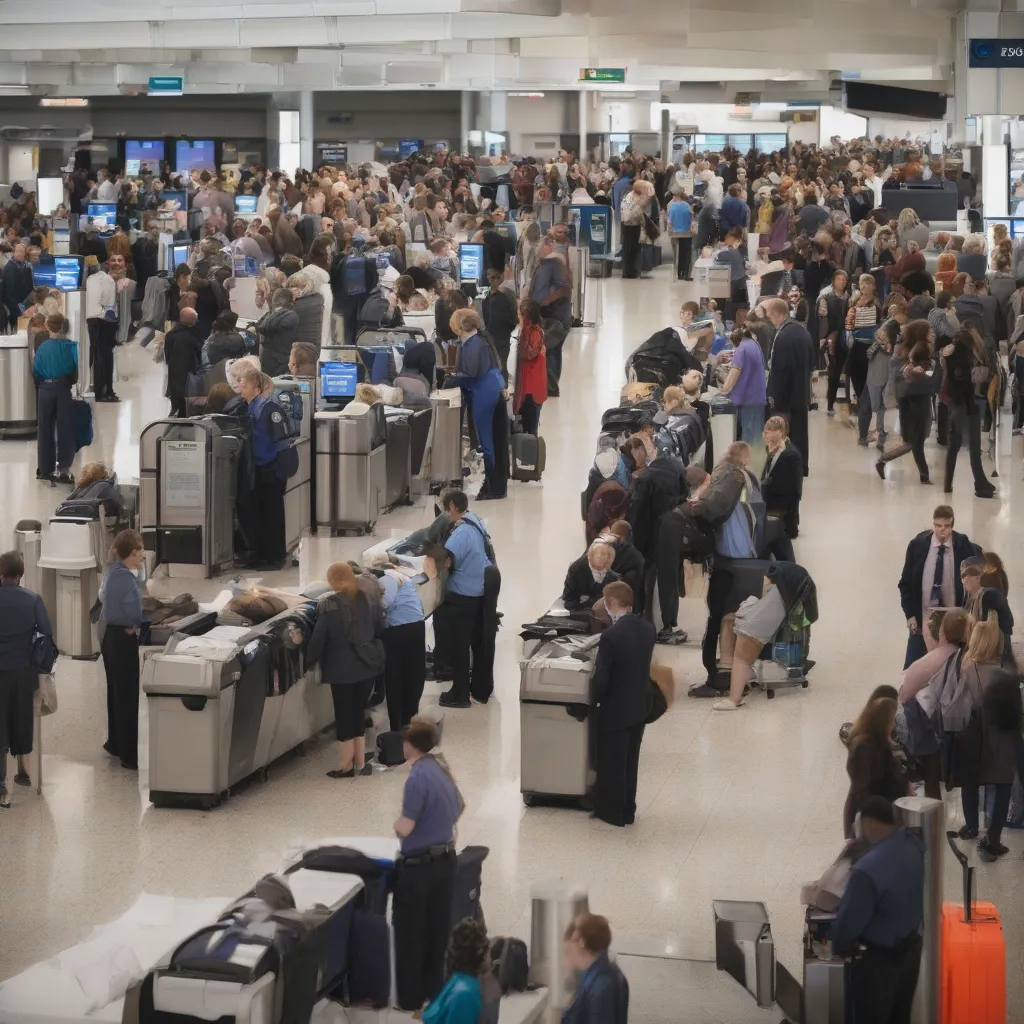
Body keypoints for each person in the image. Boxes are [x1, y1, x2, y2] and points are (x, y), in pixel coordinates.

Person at [832, 797, 924, 1024]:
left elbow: (848, 925)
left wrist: (838, 946)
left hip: (876, 964)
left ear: (870, 823)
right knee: (900, 1015)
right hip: (911, 954)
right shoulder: (914, 845)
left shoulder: (867, 870)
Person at [393, 719, 463, 1013]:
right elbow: (460, 806)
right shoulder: (441, 768)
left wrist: (397, 826)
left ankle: (410, 999)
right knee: (437, 931)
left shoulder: (417, 777)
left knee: (410, 934)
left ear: (409, 744)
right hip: (446, 861)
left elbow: (406, 827)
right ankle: (436, 992)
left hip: (418, 868)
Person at [306, 561, 384, 778]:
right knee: (358, 712)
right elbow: (379, 628)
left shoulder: (329, 605)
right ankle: (360, 762)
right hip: (367, 667)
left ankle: (345, 765)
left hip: (342, 672)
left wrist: (306, 663)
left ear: (331, 581)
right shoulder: (366, 598)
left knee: (344, 716)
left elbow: (318, 640)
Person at [591, 581, 655, 826]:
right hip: (639, 705)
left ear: (610, 604)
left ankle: (614, 812)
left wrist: (594, 700)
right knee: (630, 760)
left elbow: (602, 679)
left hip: (616, 708)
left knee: (613, 761)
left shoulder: (611, 637)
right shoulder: (647, 629)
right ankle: (629, 809)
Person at [434, 491, 499, 708]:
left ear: (452, 506)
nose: (446, 512)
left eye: (445, 508)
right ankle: (464, 686)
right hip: (479, 590)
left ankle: (460, 693)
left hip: (463, 595)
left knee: (458, 645)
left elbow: (446, 562)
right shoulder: (476, 521)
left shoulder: (461, 533)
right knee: (469, 642)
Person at [899, 607, 970, 798]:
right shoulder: (970, 656)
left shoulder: (929, 661)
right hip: (964, 726)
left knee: (930, 779)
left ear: (943, 632)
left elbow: (904, 696)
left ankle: (929, 817)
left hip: (931, 729)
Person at [898, 504, 980, 668]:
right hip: (922, 622)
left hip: (954, 623)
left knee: (952, 669)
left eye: (947, 526)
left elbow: (978, 577)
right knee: (912, 668)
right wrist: (911, 616)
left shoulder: (963, 545)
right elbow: (905, 583)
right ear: (933, 524)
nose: (942, 530)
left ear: (952, 525)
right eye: (938, 526)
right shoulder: (917, 545)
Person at [0, 550, 52, 807]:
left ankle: (1, 788)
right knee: (22, 718)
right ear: (20, 574)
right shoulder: (32, 599)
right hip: (23, 671)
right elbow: (45, 631)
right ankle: (23, 771)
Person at [234, 365, 298, 569]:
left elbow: (281, 441)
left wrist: (280, 469)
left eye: (244, 385)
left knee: (273, 513)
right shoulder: (250, 406)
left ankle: (275, 556)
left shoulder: (271, 409)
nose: (240, 388)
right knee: (259, 512)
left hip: (273, 468)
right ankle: (260, 553)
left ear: (257, 389)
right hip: (259, 468)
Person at [444, 309, 506, 500]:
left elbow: (469, 374)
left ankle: (492, 486)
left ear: (461, 326)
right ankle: (496, 484)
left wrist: (450, 380)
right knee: (495, 439)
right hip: (492, 389)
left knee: (487, 440)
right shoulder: (480, 341)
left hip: (483, 394)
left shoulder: (472, 345)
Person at [99, 530, 146, 771]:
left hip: (109, 638)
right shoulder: (127, 579)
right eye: (139, 553)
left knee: (115, 692)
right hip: (123, 638)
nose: (142, 557)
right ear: (130, 553)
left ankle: (115, 742)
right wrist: (136, 626)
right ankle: (130, 756)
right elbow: (135, 613)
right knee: (128, 696)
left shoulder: (111, 573)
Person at [875, 320, 938, 485]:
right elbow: (929, 373)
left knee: (914, 440)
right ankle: (883, 460)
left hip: (905, 397)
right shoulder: (922, 349)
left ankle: (924, 474)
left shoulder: (901, 349)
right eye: (929, 331)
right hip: (919, 397)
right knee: (915, 440)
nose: (932, 334)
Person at [939, 325, 996, 498]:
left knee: (954, 445)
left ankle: (948, 484)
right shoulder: (962, 355)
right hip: (966, 405)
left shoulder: (950, 352)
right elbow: (964, 382)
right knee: (974, 448)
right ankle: (980, 483)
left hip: (954, 403)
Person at [843, 697, 907, 839]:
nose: (894, 725)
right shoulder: (865, 748)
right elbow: (857, 792)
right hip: (875, 820)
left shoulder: (879, 742)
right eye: (892, 720)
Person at [763, 298, 812, 476]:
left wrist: (774, 397)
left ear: (776, 314)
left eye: (769, 316)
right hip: (801, 393)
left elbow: (780, 371)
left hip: (786, 397)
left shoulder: (782, 337)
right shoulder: (802, 331)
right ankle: (801, 466)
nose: (769, 320)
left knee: (784, 434)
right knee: (800, 433)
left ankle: (787, 467)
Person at [379, 568, 427, 733]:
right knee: (414, 677)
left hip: (397, 632)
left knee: (394, 680)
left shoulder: (385, 581)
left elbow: (380, 608)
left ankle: (397, 729)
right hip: (417, 627)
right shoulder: (404, 579)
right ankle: (411, 723)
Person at [33, 315, 78, 485]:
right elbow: (75, 372)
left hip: (44, 390)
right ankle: (64, 469)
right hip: (62, 388)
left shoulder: (42, 347)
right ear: (63, 328)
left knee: (44, 429)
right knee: (66, 428)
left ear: (49, 327)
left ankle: (45, 469)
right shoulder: (71, 347)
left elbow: (36, 370)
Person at [561, 913, 629, 1024]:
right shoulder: (602, 972)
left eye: (569, 949)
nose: (567, 953)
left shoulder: (602, 984)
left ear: (581, 942)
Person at [423, 918, 491, 1024]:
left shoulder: (459, 978)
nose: (490, 959)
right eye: (488, 953)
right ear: (481, 954)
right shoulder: (466, 995)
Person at [718, 326, 766, 445]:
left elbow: (734, 374)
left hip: (749, 401)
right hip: (756, 399)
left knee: (748, 443)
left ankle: (749, 464)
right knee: (755, 440)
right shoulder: (753, 344)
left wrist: (723, 392)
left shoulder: (742, 349)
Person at [760, 415, 802, 544]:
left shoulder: (790, 455)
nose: (764, 435)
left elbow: (788, 489)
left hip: (782, 508)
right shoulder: (773, 449)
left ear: (780, 433)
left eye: (768, 432)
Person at [85, 262, 119, 402]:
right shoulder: (107, 280)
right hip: (104, 319)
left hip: (91, 320)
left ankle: (98, 390)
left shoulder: (89, 280)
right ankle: (106, 391)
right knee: (106, 357)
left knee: (96, 356)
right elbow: (109, 302)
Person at [513, 298, 547, 437]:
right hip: (531, 388)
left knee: (530, 430)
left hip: (530, 391)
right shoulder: (534, 332)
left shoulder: (533, 333)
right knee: (528, 427)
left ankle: (531, 456)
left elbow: (528, 353)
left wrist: (524, 329)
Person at [163, 307, 203, 417]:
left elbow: (167, 356)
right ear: (193, 320)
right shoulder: (194, 336)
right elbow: (200, 355)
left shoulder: (171, 334)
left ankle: (174, 411)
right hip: (190, 374)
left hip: (174, 372)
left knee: (176, 396)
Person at [562, 541, 620, 613]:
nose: (603, 558)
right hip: (579, 612)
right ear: (589, 556)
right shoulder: (576, 569)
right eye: (599, 555)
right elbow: (569, 600)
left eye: (606, 555)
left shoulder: (613, 577)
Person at [255, 288, 300, 377]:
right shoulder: (291, 315)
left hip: (265, 363)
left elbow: (260, 327)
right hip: (282, 363)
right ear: (290, 303)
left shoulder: (266, 316)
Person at [481, 267, 517, 375]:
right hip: (494, 335)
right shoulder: (489, 297)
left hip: (502, 335)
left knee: (501, 364)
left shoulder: (504, 295)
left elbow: (513, 315)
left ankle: (503, 387)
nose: (491, 279)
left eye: (493, 277)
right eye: (489, 276)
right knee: (496, 364)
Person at [666, 193, 693, 281]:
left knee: (676, 254)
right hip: (686, 233)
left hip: (675, 233)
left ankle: (678, 273)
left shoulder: (672, 206)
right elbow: (690, 219)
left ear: (677, 197)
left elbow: (670, 221)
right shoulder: (687, 206)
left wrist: (669, 231)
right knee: (686, 253)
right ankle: (686, 273)